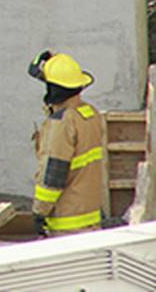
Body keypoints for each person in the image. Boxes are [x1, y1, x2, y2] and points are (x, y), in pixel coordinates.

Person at [27, 51, 109, 236]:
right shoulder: (90, 114)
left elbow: (53, 175)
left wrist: (39, 212)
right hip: (91, 217)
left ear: (53, 90)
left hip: (67, 225)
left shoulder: (62, 123)